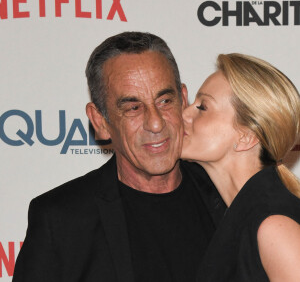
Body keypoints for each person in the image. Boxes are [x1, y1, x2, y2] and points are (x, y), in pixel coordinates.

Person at [13, 32, 225, 282]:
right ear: (100, 122)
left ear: (183, 100)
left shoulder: (228, 198)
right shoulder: (62, 220)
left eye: (165, 100)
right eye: (133, 108)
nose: (155, 123)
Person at [181, 53, 300, 282]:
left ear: (246, 136)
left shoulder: (273, 226)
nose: (185, 114)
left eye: (202, 107)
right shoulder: (240, 215)